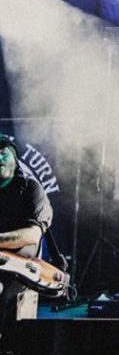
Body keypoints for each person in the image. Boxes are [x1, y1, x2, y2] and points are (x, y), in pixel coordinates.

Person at [0, 134, 53, 340]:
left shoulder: (31, 189)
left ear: (15, 158)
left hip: (19, 265)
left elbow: (32, 235)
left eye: (3, 153)